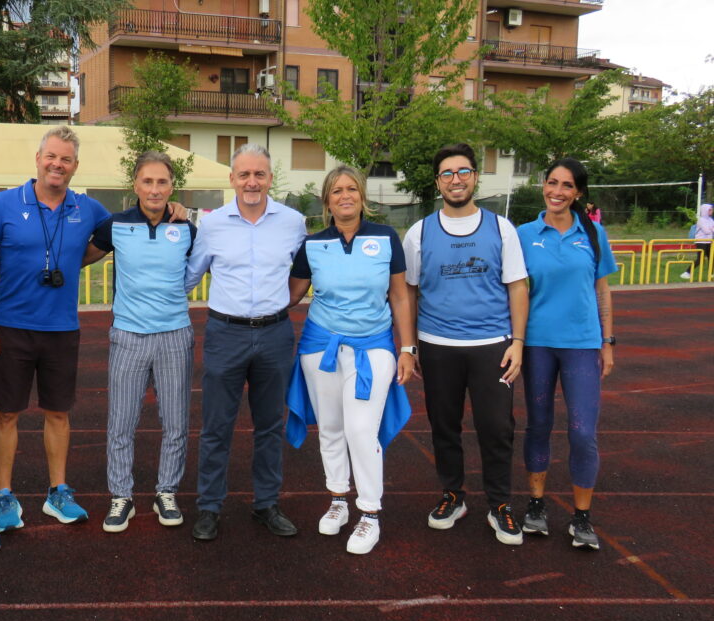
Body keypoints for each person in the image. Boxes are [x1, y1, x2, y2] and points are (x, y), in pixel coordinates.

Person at [0, 126, 112, 530]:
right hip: (10, 328)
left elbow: (116, 232)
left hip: (62, 329)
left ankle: (57, 492)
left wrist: (171, 209)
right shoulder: (4, 204)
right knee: (7, 414)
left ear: (75, 166)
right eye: (51, 156)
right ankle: (4, 495)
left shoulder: (88, 209)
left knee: (58, 413)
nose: (57, 164)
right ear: (37, 159)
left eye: (66, 159)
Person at [403, 143, 529, 546]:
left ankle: (499, 503)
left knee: (496, 428)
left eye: (463, 172)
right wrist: (411, 346)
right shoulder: (419, 231)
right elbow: (407, 293)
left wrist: (519, 342)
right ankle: (453, 495)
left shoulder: (501, 228)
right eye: (447, 173)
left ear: (475, 177)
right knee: (444, 426)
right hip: (438, 345)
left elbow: (517, 286)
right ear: (437, 182)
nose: (455, 180)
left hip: (492, 344)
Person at [286, 165, 414, 555]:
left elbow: (400, 296)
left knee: (360, 429)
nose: (345, 196)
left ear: (362, 196)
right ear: (326, 201)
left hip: (373, 346)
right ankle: (338, 500)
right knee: (331, 428)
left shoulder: (387, 237)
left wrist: (407, 348)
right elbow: (288, 295)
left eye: (352, 189)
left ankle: (370, 513)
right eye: (337, 190)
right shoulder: (312, 245)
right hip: (319, 348)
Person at [184, 143, 306, 541]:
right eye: (244, 174)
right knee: (216, 427)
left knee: (270, 425)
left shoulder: (293, 222)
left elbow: (302, 275)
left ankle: (266, 503)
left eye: (260, 174)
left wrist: (279, 306)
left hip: (275, 334)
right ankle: (209, 507)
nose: (252, 182)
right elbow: (189, 277)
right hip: (225, 334)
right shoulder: (214, 224)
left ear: (271, 178)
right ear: (232, 178)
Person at [83, 151, 196, 533]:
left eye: (162, 182)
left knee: (176, 422)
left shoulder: (186, 226)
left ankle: (167, 491)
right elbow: (79, 257)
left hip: (175, 335)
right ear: (135, 185)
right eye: (147, 181)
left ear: (171, 187)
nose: (155, 189)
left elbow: (203, 263)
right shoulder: (115, 225)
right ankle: (121, 496)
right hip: (129, 336)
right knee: (121, 421)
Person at [517, 158, 617, 550]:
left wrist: (608, 342)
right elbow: (512, 289)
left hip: (582, 344)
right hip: (538, 343)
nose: (557, 191)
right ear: (544, 184)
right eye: (552, 182)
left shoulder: (592, 234)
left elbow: (602, 289)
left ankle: (581, 517)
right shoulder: (524, 234)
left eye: (566, 186)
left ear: (578, 193)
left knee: (582, 433)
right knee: (538, 425)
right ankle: (536, 506)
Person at [681, 203, 712, 280]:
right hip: (701, 242)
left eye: (711, 209)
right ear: (705, 210)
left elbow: (710, 230)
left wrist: (711, 229)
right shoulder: (701, 220)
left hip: (709, 241)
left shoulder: (711, 220)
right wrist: (711, 229)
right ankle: (687, 272)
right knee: (700, 259)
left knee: (712, 258)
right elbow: (707, 231)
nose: (711, 211)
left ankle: (711, 274)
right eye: (710, 210)